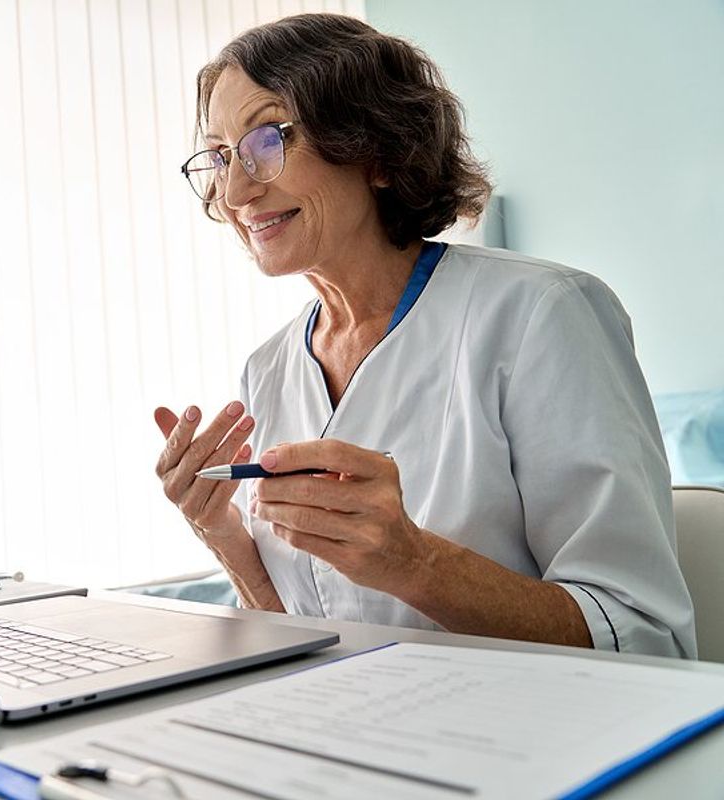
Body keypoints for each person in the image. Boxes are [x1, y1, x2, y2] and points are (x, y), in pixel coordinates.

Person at [153, 13, 695, 658]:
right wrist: (220, 530)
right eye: (218, 155)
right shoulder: (268, 369)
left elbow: (643, 638)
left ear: (377, 152)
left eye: (267, 139)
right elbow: (312, 646)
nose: (235, 190)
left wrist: (414, 563)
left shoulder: (542, 314)